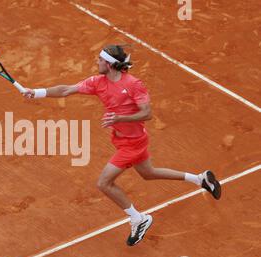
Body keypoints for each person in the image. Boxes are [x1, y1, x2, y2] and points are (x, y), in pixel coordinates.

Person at [22, 44, 221, 246]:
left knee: (104, 184)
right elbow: (66, 89)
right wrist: (36, 92)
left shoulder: (134, 84)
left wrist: (120, 118)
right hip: (123, 140)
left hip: (132, 144)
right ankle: (200, 179)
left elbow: (147, 113)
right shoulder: (98, 82)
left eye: (100, 60)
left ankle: (138, 218)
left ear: (109, 64)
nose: (97, 62)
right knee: (148, 173)